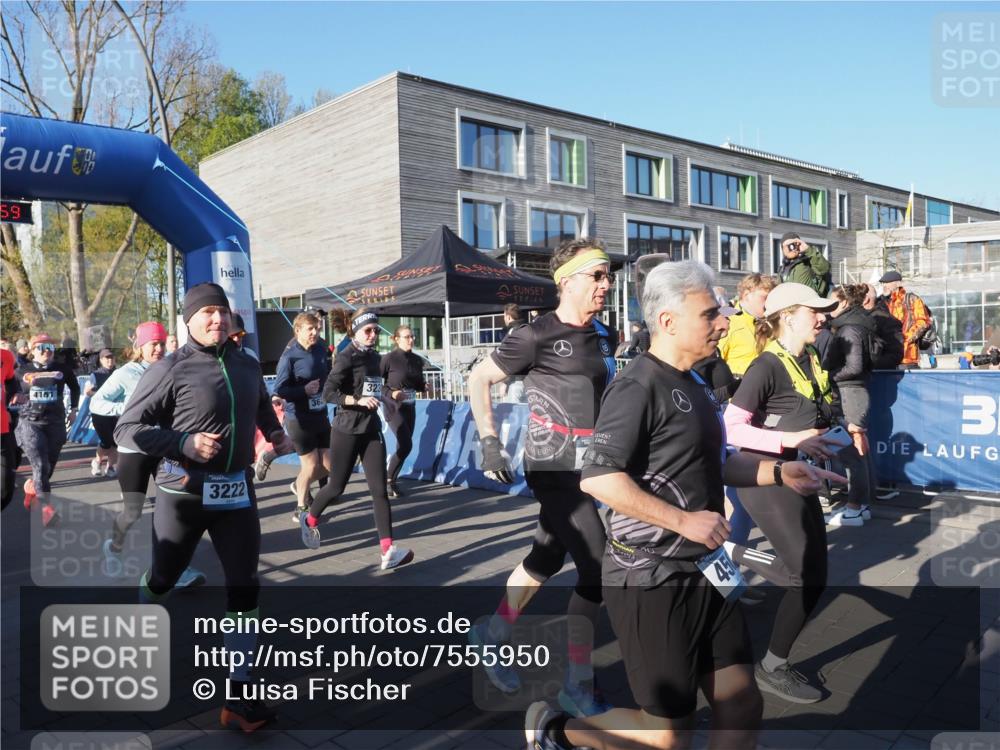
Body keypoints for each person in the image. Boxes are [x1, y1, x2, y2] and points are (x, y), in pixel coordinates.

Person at [524, 260, 843, 750]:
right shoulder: (637, 386)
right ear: (669, 321)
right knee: (667, 735)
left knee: (741, 703)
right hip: (651, 578)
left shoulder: (695, 383)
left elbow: (717, 462)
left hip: (706, 571)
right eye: (711, 313)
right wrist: (682, 521)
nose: (724, 323)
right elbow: (599, 478)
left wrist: (780, 471)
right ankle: (555, 731)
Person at [115, 283, 293, 732]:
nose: (217, 319)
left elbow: (257, 405)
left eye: (223, 312)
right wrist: (182, 442)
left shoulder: (247, 363)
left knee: (244, 585)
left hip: (236, 493)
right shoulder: (169, 369)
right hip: (184, 497)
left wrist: (273, 434)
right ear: (189, 320)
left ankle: (239, 692)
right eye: (207, 312)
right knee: (163, 579)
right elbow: (127, 429)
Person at [467, 238, 617, 717]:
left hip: (592, 463)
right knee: (597, 567)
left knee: (544, 559)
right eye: (597, 275)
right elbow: (478, 379)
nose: (606, 284)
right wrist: (489, 442)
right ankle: (577, 682)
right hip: (552, 465)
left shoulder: (606, 335)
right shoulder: (534, 336)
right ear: (566, 281)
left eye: (608, 275)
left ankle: (493, 634)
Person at [724, 282, 865, 702]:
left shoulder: (811, 358)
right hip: (763, 477)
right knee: (803, 575)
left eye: (824, 311)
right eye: (814, 311)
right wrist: (792, 442)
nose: (822, 317)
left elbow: (811, 415)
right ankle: (772, 665)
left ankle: (772, 660)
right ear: (787, 315)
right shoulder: (766, 366)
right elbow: (730, 428)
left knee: (814, 574)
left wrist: (841, 431)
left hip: (798, 474)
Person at [299, 308, 415, 572]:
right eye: (368, 330)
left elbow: (372, 386)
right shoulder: (345, 357)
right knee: (336, 487)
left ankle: (388, 550)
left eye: (376, 329)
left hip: (371, 430)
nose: (373, 335)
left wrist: (385, 399)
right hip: (345, 430)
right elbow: (329, 393)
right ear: (355, 331)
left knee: (379, 490)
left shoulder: (374, 357)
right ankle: (310, 519)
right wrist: (357, 401)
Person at [93, 322, 206, 587]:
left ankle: (177, 569)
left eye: (161, 343)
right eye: (152, 344)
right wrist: (130, 409)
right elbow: (98, 402)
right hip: (134, 450)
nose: (158, 348)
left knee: (173, 506)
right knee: (132, 511)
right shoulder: (126, 373)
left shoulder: (172, 367)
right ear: (139, 347)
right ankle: (114, 547)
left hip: (165, 448)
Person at [13, 333, 81, 526]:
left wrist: (74, 409)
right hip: (30, 423)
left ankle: (32, 490)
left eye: (50, 348)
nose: (46, 352)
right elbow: (11, 388)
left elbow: (75, 388)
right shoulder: (22, 370)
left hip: (56, 423)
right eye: (41, 348)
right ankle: (46, 510)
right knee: (40, 465)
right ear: (32, 350)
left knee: (46, 468)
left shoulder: (62, 369)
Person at [273, 311, 333, 522]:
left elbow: (327, 376)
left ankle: (300, 484)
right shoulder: (289, 356)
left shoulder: (320, 350)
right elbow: (280, 389)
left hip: (320, 415)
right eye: (310, 329)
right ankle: (300, 508)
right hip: (299, 418)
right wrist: (303, 390)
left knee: (330, 465)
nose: (315, 333)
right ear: (298, 330)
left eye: (317, 328)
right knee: (311, 466)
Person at [825, 285, 877, 522]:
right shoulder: (853, 324)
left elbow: (854, 366)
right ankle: (860, 504)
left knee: (852, 454)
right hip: (852, 393)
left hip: (850, 395)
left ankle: (855, 507)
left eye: (832, 301)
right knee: (857, 452)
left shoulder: (849, 328)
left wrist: (828, 376)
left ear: (844, 303)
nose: (827, 306)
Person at [380, 324, 426, 498]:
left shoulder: (416, 360)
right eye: (407, 337)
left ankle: (391, 480)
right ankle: (388, 479)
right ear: (397, 339)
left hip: (410, 407)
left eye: (412, 336)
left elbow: (418, 384)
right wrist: (392, 393)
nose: (411, 340)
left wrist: (423, 387)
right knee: (406, 444)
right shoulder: (388, 359)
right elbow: (376, 384)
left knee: (404, 447)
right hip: (393, 407)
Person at [720, 273, 778, 377]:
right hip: (737, 388)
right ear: (747, 295)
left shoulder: (772, 323)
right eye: (765, 298)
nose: (770, 303)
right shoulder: (727, 321)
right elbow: (713, 365)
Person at [880, 271, 932, 369]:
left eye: (888, 282)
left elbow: (923, 322)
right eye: (883, 283)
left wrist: (904, 339)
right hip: (884, 356)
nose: (884, 285)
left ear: (898, 283)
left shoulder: (912, 299)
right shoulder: (881, 302)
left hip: (907, 357)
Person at [86, 348, 119, 478]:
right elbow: (88, 392)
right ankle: (97, 461)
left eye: (111, 357)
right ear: (101, 360)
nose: (110, 360)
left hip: (116, 412)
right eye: (107, 358)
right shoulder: (95, 375)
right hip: (100, 413)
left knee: (116, 442)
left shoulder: (119, 373)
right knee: (106, 441)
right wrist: (102, 396)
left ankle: (110, 467)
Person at [863, 283, 904, 371]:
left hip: (879, 375)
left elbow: (895, 354)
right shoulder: (857, 318)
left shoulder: (886, 320)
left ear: (866, 299)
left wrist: (868, 364)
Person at [777, 232, 831, 297]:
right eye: (787, 246)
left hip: (811, 304)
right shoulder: (782, 269)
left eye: (793, 244)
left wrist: (808, 250)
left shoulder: (808, 261)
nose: (791, 248)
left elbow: (824, 268)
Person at [1, 347, 19, 511]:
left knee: (6, 491)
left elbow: (11, 382)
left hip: (2, 431)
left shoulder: (5, 356)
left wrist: (13, 395)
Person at [500, 304, 528, 402]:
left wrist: (505, 382)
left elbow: (510, 360)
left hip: (515, 382)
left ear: (508, 317)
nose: (504, 319)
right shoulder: (527, 329)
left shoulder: (512, 333)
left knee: (511, 415)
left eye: (504, 316)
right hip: (529, 382)